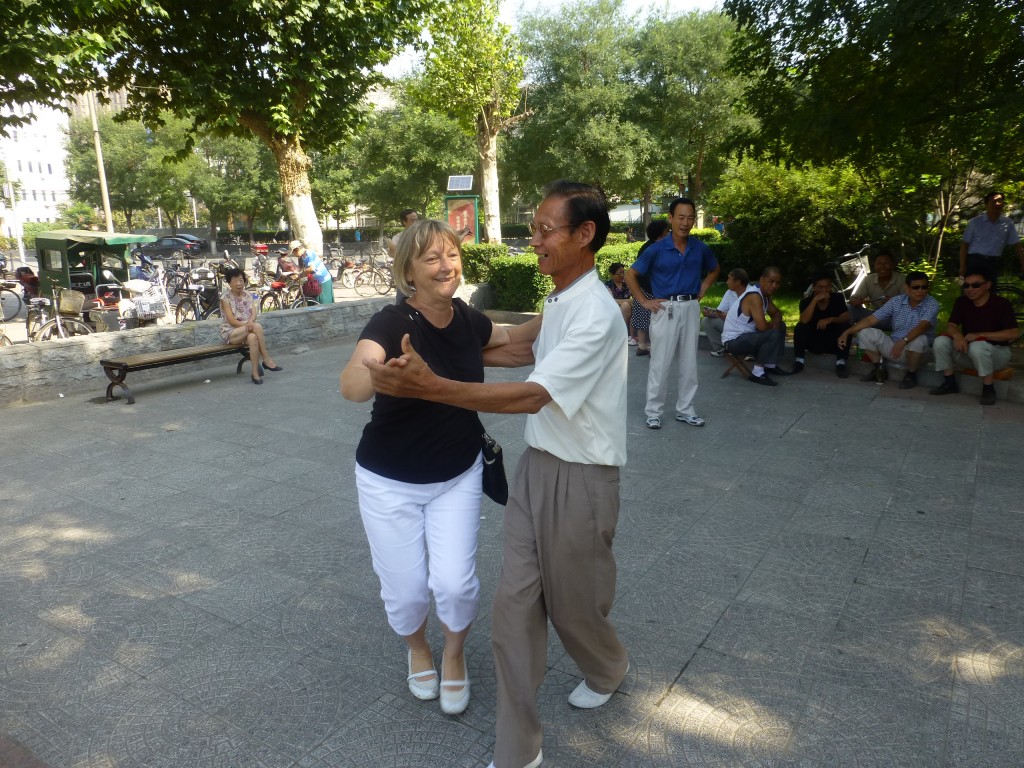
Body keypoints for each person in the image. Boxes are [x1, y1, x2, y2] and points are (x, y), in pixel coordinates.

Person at [365, 181, 628, 768]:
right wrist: (432, 358)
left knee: (575, 606)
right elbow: (508, 349)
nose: (532, 241)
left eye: (544, 230)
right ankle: (518, 751)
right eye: (533, 229)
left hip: (584, 476)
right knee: (513, 612)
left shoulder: (594, 312)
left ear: (585, 235)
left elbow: (532, 395)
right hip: (536, 469)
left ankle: (608, 664)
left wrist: (433, 386)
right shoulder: (562, 297)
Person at [340, 219, 512, 717]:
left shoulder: (465, 316)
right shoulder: (391, 325)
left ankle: (454, 655)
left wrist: (569, 306)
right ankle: (418, 649)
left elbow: (505, 336)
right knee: (407, 587)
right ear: (408, 271)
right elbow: (353, 380)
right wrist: (376, 375)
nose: (446, 266)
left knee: (455, 582)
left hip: (457, 473)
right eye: (432, 258)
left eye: (452, 254)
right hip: (387, 481)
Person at [625, 197, 720, 429]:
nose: (685, 223)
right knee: (660, 361)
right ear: (670, 218)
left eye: (690, 218)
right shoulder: (657, 249)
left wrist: (704, 288)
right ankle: (654, 412)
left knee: (689, 362)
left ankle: (685, 409)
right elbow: (630, 274)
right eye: (681, 217)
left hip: (690, 307)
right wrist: (644, 301)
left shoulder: (699, 248)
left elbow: (714, 269)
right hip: (665, 308)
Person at [929, 268, 1019, 405]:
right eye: (966, 285)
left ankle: (988, 389)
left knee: (978, 345)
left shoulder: (1001, 304)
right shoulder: (962, 302)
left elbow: (1013, 333)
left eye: (975, 285)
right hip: (969, 353)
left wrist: (981, 335)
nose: (970, 289)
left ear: (987, 285)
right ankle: (949, 382)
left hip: (997, 355)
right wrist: (958, 335)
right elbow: (951, 325)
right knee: (940, 341)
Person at [838, 271, 939, 389]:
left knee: (919, 339)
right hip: (895, 347)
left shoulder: (932, 304)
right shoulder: (896, 301)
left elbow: (922, 326)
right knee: (864, 332)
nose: (920, 291)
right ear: (907, 288)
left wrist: (904, 340)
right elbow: (871, 320)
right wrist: (847, 332)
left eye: (924, 287)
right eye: (916, 287)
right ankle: (879, 368)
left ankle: (911, 374)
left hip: (918, 353)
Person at [720, 266, 791, 386]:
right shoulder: (754, 296)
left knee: (781, 326)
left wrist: (775, 325)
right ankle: (757, 372)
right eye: (771, 281)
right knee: (773, 333)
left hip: (747, 336)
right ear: (761, 279)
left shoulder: (765, 295)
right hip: (733, 341)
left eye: (777, 283)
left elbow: (777, 313)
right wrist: (773, 328)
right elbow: (762, 327)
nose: (774, 285)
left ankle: (770, 365)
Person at [219, 267, 281, 384]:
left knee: (253, 337)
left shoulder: (248, 294)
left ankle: (255, 373)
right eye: (235, 281)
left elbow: (253, 313)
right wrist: (248, 324)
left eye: (241, 280)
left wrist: (250, 323)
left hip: (248, 329)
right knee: (257, 327)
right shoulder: (225, 298)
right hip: (231, 332)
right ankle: (266, 359)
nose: (239, 283)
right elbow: (231, 321)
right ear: (229, 283)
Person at [792, 273, 852, 377]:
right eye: (820, 287)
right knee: (800, 327)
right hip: (814, 341)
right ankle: (799, 361)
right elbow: (804, 320)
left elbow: (846, 317)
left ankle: (841, 363)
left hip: (833, 341)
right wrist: (815, 300)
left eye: (827, 286)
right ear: (814, 288)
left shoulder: (837, 298)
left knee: (846, 327)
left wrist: (832, 319)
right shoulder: (806, 302)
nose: (824, 290)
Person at [959, 191, 1024, 281]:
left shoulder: (1007, 223)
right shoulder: (975, 222)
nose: (997, 204)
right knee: (972, 289)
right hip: (975, 261)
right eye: (994, 201)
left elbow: (1017, 245)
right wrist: (962, 266)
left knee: (990, 291)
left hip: (993, 262)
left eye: (1000, 201)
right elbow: (964, 245)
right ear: (987, 204)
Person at [630, 219, 671, 357]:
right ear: (661, 233)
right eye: (667, 230)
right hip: (649, 288)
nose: (669, 233)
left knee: (643, 318)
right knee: (655, 319)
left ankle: (642, 346)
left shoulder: (647, 246)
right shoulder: (655, 248)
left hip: (642, 287)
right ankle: (652, 347)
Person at [848, 251, 905, 327]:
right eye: (879, 264)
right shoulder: (868, 279)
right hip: (876, 318)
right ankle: (848, 335)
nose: (882, 267)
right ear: (874, 265)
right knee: (850, 308)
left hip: (897, 317)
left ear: (893, 265)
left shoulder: (902, 279)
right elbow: (853, 298)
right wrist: (855, 301)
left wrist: (894, 303)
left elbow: (910, 303)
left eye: (886, 263)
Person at [702, 268, 748, 356]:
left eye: (729, 279)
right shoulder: (729, 292)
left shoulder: (751, 294)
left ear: (737, 282)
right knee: (706, 321)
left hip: (746, 328)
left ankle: (746, 351)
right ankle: (722, 348)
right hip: (731, 325)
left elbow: (751, 318)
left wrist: (730, 317)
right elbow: (720, 311)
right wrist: (711, 313)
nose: (727, 282)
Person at [388, 209, 420, 303]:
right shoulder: (398, 238)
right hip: (405, 276)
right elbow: (393, 254)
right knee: (402, 301)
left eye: (417, 219)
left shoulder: (424, 235)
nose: (416, 222)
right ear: (404, 222)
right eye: (412, 220)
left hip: (422, 275)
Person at [288, 239, 333, 304]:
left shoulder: (308, 253)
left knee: (324, 304)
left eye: (294, 252)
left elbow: (311, 268)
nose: (294, 254)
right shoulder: (302, 257)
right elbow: (304, 270)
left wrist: (299, 275)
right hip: (316, 281)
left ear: (297, 249)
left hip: (323, 280)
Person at [605, 262, 635, 342]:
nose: (622, 275)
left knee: (628, 306)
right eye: (619, 273)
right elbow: (611, 301)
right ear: (612, 274)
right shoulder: (608, 285)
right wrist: (628, 301)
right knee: (625, 305)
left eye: (623, 272)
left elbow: (636, 298)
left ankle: (630, 335)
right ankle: (622, 332)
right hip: (613, 310)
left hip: (629, 309)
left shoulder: (627, 284)